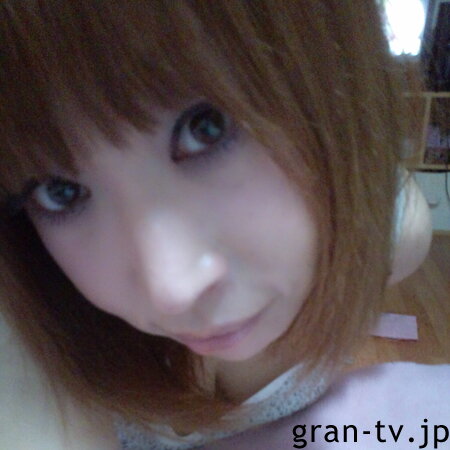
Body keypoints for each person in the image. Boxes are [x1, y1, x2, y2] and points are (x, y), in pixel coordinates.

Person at [0, 1, 444, 449]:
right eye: (59, 191)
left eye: (206, 127)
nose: (172, 291)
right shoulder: (26, 318)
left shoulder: (392, 235)